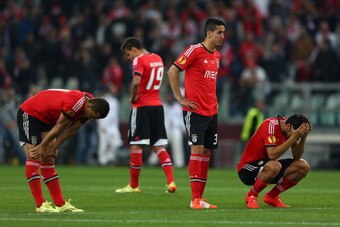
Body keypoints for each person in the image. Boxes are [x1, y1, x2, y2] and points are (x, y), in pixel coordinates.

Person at [17, 89, 109, 213]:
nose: (91, 118)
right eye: (92, 115)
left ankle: (60, 204)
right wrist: (43, 146)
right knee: (34, 155)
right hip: (30, 113)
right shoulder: (76, 103)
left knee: (49, 157)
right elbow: (60, 126)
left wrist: (54, 147)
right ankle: (40, 204)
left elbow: (72, 130)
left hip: (47, 119)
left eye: (94, 118)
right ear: (89, 105)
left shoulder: (90, 105)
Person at [167, 17, 226, 209]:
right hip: (195, 110)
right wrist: (180, 98)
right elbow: (172, 72)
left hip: (212, 111)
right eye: (219, 32)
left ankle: (200, 198)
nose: (222, 36)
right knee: (197, 149)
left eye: (223, 32)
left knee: (207, 151)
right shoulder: (194, 50)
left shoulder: (217, 56)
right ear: (208, 33)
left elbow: (210, 83)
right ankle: (194, 199)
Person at [115, 37, 176, 193]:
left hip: (142, 106)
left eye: (129, 54)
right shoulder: (157, 58)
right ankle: (171, 182)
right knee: (158, 146)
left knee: (135, 144)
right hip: (157, 105)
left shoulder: (139, 60)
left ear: (134, 49)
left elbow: (136, 81)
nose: (129, 58)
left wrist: (133, 97)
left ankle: (134, 186)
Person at [237, 114, 311, 209]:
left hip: (268, 166)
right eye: (297, 136)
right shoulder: (270, 125)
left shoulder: (290, 128)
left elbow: (296, 157)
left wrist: (303, 139)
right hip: (248, 168)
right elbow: (272, 155)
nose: (296, 137)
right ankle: (251, 196)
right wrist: (293, 138)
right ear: (288, 126)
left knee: (303, 166)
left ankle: (272, 197)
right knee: (274, 166)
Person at [97, 83, 122, 165]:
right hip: (104, 126)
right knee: (103, 144)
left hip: (113, 127)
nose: (115, 90)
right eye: (113, 88)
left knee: (116, 144)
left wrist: (116, 126)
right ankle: (102, 161)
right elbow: (99, 113)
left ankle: (109, 158)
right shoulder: (104, 99)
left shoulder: (116, 101)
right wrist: (101, 125)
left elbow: (115, 116)